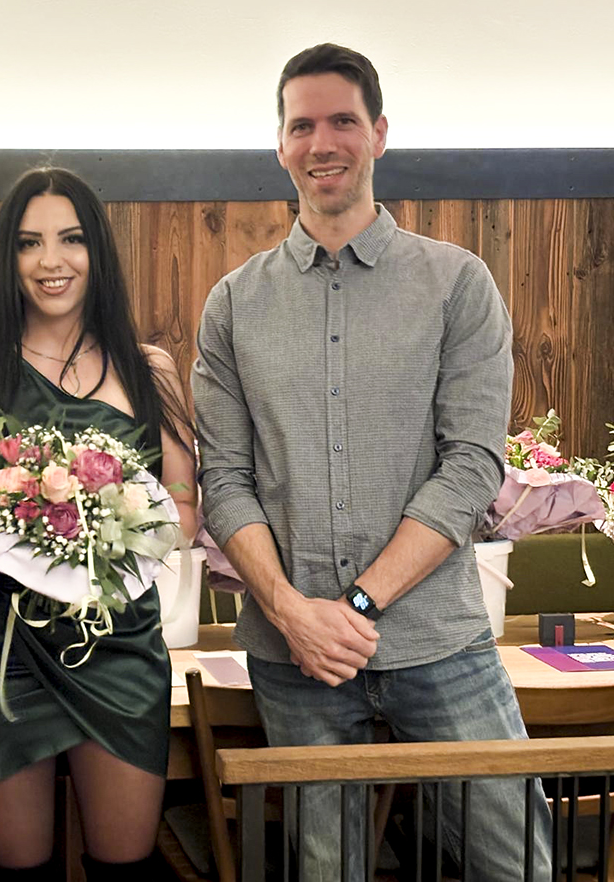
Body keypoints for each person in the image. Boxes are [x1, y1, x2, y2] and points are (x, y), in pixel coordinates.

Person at [192, 44, 551, 880]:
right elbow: (225, 482)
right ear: (280, 145)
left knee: (522, 868)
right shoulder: (235, 303)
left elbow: (470, 468)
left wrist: (352, 605)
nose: (324, 142)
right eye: (302, 125)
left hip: (442, 643)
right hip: (296, 658)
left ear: (379, 133)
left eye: (343, 120)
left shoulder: (458, 284)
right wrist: (292, 611)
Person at [0, 167, 197, 880]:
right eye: (29, 243)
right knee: (15, 869)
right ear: (9, 259)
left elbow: (183, 510)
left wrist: (101, 526)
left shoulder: (147, 369)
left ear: (98, 251)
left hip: (118, 647)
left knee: (127, 865)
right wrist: (15, 530)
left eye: (70, 239)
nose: (51, 261)